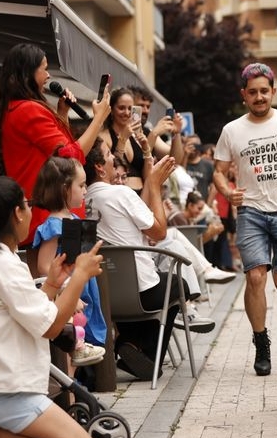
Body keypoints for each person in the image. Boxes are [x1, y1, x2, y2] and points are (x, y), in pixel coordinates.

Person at [0, 176, 102, 438]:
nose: (30, 211)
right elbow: (50, 327)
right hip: (9, 394)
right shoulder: (3, 265)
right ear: (17, 213)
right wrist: (79, 277)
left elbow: (25, 316)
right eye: (27, 205)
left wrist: (51, 286)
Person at [213, 63, 277, 377]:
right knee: (255, 278)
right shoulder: (232, 130)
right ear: (244, 95)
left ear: (273, 92)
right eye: (252, 92)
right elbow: (219, 172)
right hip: (251, 212)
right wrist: (228, 191)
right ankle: (261, 341)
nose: (259, 97)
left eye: (264, 91)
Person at [84, 138, 199, 379]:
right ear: (99, 167)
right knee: (179, 285)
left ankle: (131, 344)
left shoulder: (82, 200)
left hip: (104, 296)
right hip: (140, 292)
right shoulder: (120, 193)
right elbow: (159, 232)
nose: (114, 158)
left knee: (157, 284)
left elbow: (141, 218)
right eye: (108, 154)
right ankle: (145, 354)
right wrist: (154, 185)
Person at [0, 42, 111, 246]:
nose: (48, 76)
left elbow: (57, 152)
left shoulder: (15, 108)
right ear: (28, 73)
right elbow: (71, 157)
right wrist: (98, 119)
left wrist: (62, 113)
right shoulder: (28, 110)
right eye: (44, 69)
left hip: (45, 215)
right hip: (48, 219)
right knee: (60, 266)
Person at [32, 157, 107, 368]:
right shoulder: (54, 225)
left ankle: (75, 383)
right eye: (81, 185)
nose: (85, 190)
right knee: (71, 341)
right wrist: (67, 291)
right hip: (67, 292)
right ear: (65, 189)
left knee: (79, 338)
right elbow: (44, 266)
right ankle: (69, 386)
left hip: (80, 288)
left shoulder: (72, 219)